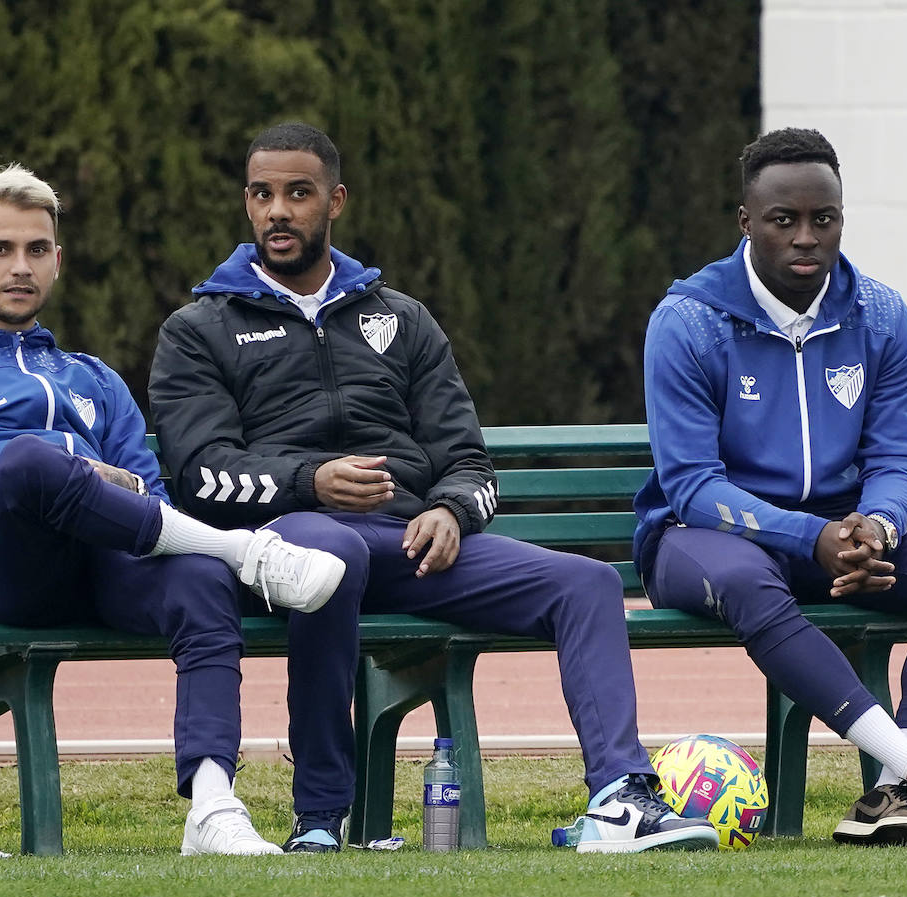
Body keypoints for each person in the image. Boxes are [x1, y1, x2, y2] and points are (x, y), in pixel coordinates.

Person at [148, 122, 717, 854]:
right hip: (288, 544)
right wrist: (309, 478)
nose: (278, 211)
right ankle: (320, 815)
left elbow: (470, 462)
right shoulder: (200, 327)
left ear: (336, 201)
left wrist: (450, 510)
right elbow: (198, 474)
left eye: (298, 193)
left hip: (415, 549)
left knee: (587, 584)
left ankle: (617, 798)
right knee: (331, 557)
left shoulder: (401, 317)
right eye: (262, 195)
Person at [0, 163, 348, 857]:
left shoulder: (94, 379)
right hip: (8, 576)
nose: (20, 266)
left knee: (197, 576)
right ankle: (242, 551)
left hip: (109, 565)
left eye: (36, 249)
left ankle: (211, 804)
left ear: (58, 259)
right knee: (28, 460)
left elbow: (152, 499)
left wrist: (111, 487)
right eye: (0, 249)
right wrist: (19, 476)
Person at [633, 128, 907, 847]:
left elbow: (900, 458)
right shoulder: (688, 320)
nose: (806, 237)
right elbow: (691, 485)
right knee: (748, 579)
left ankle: (900, 787)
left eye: (824, 219)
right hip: (704, 541)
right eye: (784, 220)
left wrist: (877, 526)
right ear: (746, 221)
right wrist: (815, 536)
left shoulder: (882, 314)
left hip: (842, 535)